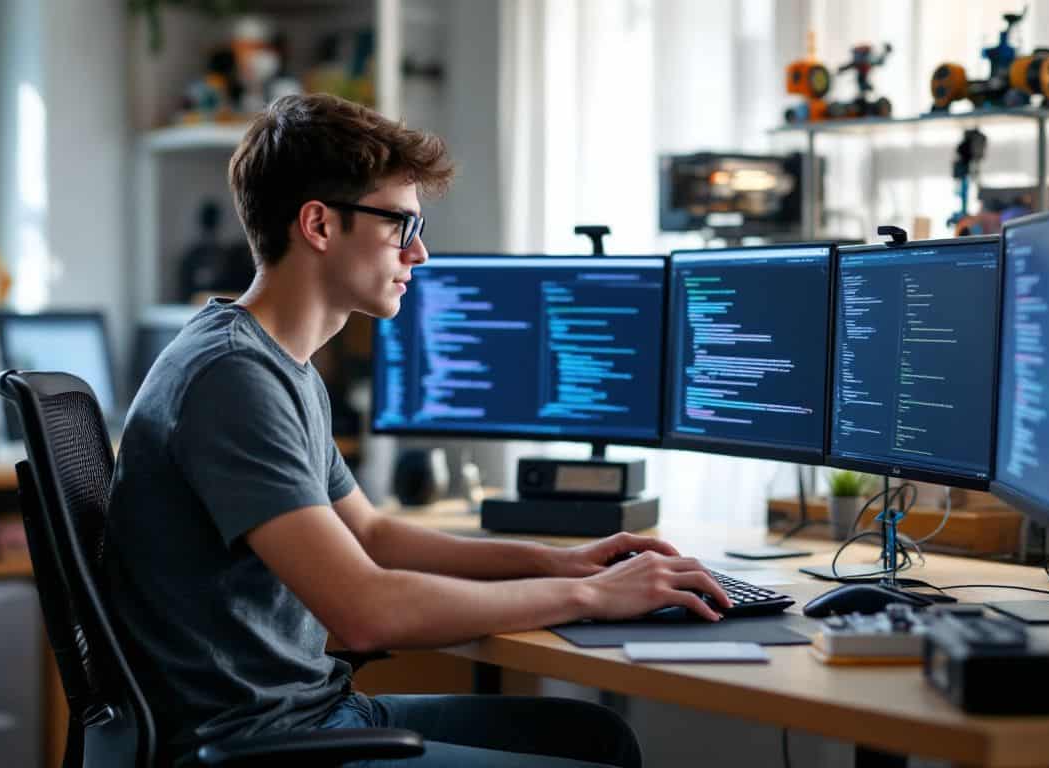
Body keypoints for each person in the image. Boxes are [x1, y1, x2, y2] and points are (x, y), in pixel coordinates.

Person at [106, 93, 731, 768]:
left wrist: (557, 562)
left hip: (307, 712)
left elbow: (374, 536)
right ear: (318, 224)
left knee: (599, 738)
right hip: (262, 746)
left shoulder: (273, 361)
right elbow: (366, 612)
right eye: (400, 226)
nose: (421, 253)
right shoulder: (233, 378)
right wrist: (588, 596)